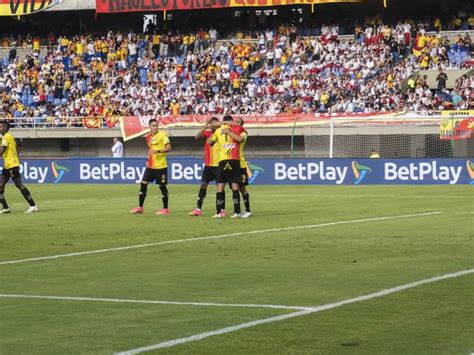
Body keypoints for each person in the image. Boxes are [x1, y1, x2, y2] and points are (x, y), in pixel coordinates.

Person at [130, 119, 171, 215]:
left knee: (162, 186)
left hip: (161, 166)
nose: (155, 127)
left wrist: (158, 151)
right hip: (151, 166)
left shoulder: (163, 135)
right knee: (143, 184)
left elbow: (169, 148)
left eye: (156, 125)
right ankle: (140, 207)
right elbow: (150, 150)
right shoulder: (148, 137)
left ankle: (165, 209)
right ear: (149, 126)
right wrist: (148, 159)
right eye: (153, 125)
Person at [209, 115, 244, 219]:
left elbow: (210, 142)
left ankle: (219, 212)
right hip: (233, 160)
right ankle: (236, 211)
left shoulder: (220, 130)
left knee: (220, 185)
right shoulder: (235, 128)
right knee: (234, 185)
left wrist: (217, 135)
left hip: (223, 160)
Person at [0, 121, 38, 214]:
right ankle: (5, 208)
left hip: (11, 165)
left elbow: (1, 151)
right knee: (0, 186)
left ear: (6, 128)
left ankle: (33, 205)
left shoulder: (6, 137)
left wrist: (15, 159)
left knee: (19, 185)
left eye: (1, 126)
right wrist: (17, 157)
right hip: (8, 165)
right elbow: (16, 147)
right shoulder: (8, 137)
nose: (0, 128)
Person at [189, 117, 220, 216]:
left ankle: (221, 209)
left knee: (220, 188)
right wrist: (205, 126)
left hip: (219, 164)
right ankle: (198, 209)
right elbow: (197, 137)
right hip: (208, 165)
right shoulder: (207, 134)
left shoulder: (221, 133)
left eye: (215, 123)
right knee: (203, 185)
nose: (213, 125)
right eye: (212, 123)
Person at [227, 117, 252, 218]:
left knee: (242, 188)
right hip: (231, 163)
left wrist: (228, 132)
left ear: (241, 125)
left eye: (238, 122)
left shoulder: (244, 133)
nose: (235, 123)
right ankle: (236, 211)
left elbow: (239, 139)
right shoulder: (230, 134)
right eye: (235, 121)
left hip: (240, 164)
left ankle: (248, 210)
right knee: (234, 188)